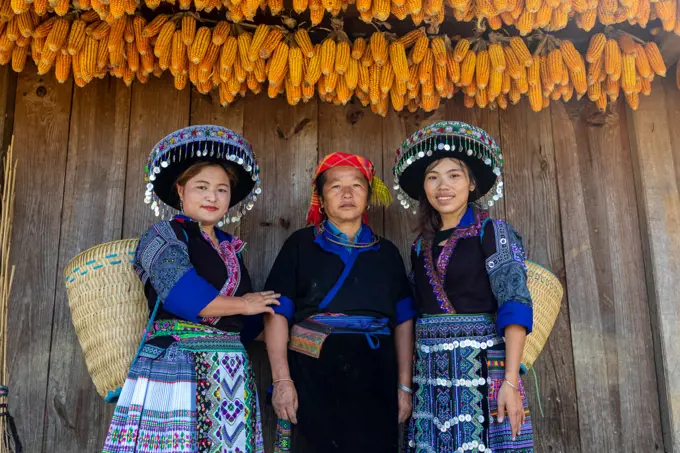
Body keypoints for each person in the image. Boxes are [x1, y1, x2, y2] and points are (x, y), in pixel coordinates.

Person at [102, 125, 277, 453]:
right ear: (180, 191)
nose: (213, 197)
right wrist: (243, 305)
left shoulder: (230, 248)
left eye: (222, 190)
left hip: (229, 374)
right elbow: (183, 294)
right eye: (202, 187)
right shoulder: (162, 236)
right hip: (176, 365)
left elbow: (247, 324)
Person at [393, 121, 534, 453]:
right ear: (424, 188)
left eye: (454, 175)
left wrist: (510, 382)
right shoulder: (419, 247)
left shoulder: (493, 233)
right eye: (433, 177)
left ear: (471, 184)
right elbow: (410, 310)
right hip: (430, 378)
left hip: (486, 372)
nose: (443, 185)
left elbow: (514, 303)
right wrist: (406, 384)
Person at [263, 152, 417, 453]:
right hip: (313, 372)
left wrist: (403, 387)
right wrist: (282, 380)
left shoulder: (386, 253)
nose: (347, 194)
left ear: (368, 196)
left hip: (376, 373)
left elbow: (403, 321)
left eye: (357, 186)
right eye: (335, 187)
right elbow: (276, 313)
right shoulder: (300, 245)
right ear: (320, 198)